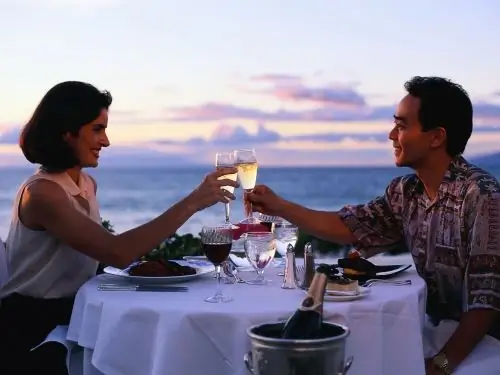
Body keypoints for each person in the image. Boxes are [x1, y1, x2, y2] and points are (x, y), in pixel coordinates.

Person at [246, 76, 500, 374]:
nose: (392, 135)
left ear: (436, 137)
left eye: (402, 125)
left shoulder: (482, 196)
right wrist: (280, 206)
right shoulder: (405, 192)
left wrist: (441, 366)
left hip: (483, 343)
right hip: (435, 329)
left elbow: (486, 303)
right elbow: (348, 227)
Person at [0, 81, 238, 375]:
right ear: (66, 132)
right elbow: (117, 252)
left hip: (76, 311)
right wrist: (192, 203)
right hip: (33, 327)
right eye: (97, 129)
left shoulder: (85, 184)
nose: (106, 141)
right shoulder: (42, 194)